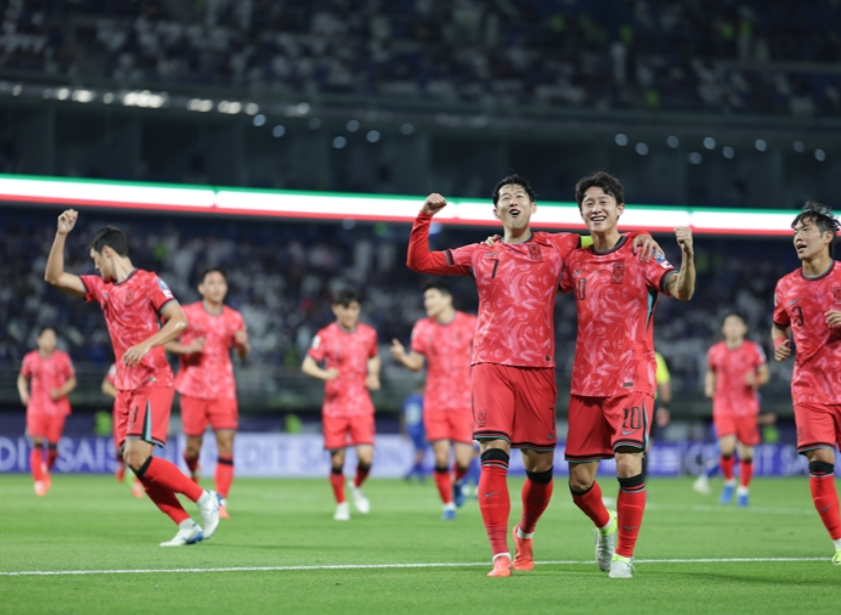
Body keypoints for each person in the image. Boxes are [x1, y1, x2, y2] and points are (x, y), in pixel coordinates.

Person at [406, 174, 661, 577]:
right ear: (496, 211)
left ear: (532, 207)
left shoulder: (558, 245)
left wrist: (643, 233)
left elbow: (606, 238)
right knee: (493, 454)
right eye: (505, 197)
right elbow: (420, 261)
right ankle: (499, 556)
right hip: (489, 363)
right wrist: (424, 218)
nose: (512, 201)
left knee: (541, 471)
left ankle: (525, 533)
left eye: (519, 196)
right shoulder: (480, 253)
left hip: (539, 369)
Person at [44, 210, 222, 547]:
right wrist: (61, 235)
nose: (95, 268)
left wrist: (147, 343)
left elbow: (179, 320)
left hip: (153, 380)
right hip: (125, 386)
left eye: (96, 260)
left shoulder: (149, 282)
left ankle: (204, 497)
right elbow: (54, 277)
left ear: (108, 252)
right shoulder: (101, 288)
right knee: (133, 461)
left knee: (138, 457)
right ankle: (185, 524)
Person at [560, 171, 695, 579]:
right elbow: (537, 261)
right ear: (581, 212)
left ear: (620, 208)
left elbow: (681, 290)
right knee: (580, 482)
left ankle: (623, 557)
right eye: (588, 203)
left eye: (604, 201)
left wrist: (687, 255)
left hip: (632, 377)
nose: (595, 208)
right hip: (586, 381)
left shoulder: (643, 252)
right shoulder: (575, 258)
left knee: (627, 464)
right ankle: (606, 525)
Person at [772, 201, 841, 566]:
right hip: (809, 387)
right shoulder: (786, 285)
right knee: (819, 459)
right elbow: (779, 323)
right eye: (795, 231)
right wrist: (779, 343)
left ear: (828, 237)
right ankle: (840, 543)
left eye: (806, 230)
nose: (798, 236)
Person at [166, 268, 250, 520]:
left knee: (226, 443)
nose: (216, 287)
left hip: (223, 389)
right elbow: (164, 341)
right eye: (210, 283)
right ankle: (193, 473)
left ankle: (219, 501)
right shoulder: (188, 314)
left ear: (225, 287)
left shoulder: (235, 318)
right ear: (201, 288)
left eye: (220, 282)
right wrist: (186, 347)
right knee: (193, 449)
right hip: (193, 388)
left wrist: (244, 345)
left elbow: (243, 354)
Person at [391, 281, 477, 520]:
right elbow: (416, 365)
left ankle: (458, 481)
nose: (427, 303)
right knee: (440, 455)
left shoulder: (470, 324)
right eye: (425, 299)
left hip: (463, 401)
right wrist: (402, 357)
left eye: (431, 298)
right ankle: (447, 505)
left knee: (462, 459)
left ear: (447, 299)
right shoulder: (422, 327)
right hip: (435, 401)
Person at [302, 289, 380, 521]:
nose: (350, 313)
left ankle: (355, 485)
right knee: (338, 460)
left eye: (354, 308)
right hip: (335, 406)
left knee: (366, 457)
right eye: (345, 308)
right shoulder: (325, 335)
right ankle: (342, 504)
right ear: (336, 309)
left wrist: (373, 374)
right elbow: (307, 365)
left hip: (361, 404)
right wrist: (324, 374)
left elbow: (374, 357)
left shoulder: (368, 334)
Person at [702, 312, 769, 507]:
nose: (732, 328)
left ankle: (743, 489)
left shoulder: (754, 350)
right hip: (723, 405)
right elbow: (711, 373)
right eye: (728, 325)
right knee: (727, 447)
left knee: (747, 453)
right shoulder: (715, 351)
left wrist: (755, 380)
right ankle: (730, 482)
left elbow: (764, 375)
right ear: (723, 329)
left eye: (736, 324)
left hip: (747, 407)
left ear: (743, 328)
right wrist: (708, 386)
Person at [17, 326, 76, 496]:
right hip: (36, 407)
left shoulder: (62, 359)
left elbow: (72, 380)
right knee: (36, 443)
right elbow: (22, 377)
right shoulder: (30, 359)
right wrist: (23, 393)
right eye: (46, 337)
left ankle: (45, 469)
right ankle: (38, 483)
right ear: (39, 340)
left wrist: (61, 391)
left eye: (52, 338)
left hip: (57, 408)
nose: (50, 341)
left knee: (53, 449)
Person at [102, 363, 144, 498]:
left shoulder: (148, 364)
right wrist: (121, 398)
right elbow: (106, 386)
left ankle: (137, 484)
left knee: (141, 448)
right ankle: (121, 465)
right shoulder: (118, 365)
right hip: (122, 411)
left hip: (141, 410)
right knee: (122, 449)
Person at [639, 351, 672, 484]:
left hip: (626, 403)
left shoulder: (623, 353)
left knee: (627, 447)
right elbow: (664, 385)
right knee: (645, 448)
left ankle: (628, 486)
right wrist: (665, 407)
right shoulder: (655, 357)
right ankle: (639, 487)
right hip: (648, 404)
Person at [400, 387, 428, 482]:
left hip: (411, 428)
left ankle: (420, 475)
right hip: (420, 429)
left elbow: (403, 416)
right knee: (421, 452)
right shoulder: (422, 400)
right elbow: (426, 415)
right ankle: (410, 472)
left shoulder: (408, 400)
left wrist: (404, 431)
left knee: (419, 451)